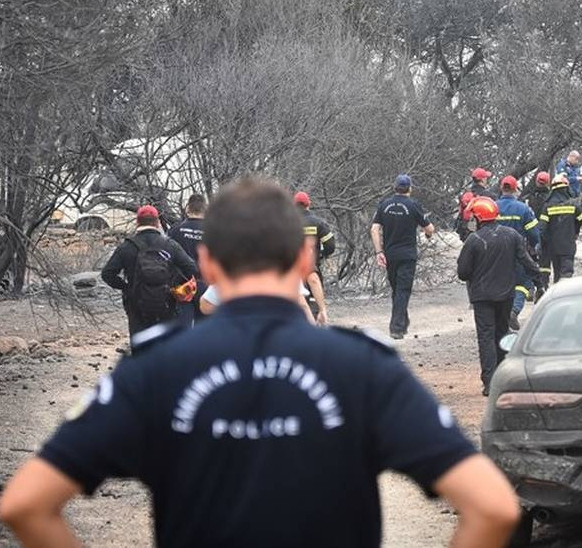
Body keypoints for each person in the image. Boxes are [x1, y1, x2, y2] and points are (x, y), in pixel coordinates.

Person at [0, 179, 520, 548]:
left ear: (206, 264)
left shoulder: (153, 370)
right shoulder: (363, 368)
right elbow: (493, 507)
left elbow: (26, 505)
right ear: (301, 260)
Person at [457, 197, 540, 396]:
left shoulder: (474, 240)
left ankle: (489, 382)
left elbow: (463, 273)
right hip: (506, 295)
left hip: (482, 297)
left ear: (478, 218)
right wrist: (539, 280)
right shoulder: (512, 235)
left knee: (485, 337)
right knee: (502, 334)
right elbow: (526, 261)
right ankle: (504, 379)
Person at [101, 205, 198, 339]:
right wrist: (176, 285)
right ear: (157, 222)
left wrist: (127, 287)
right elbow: (192, 269)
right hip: (166, 303)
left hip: (136, 305)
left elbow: (107, 274)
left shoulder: (127, 246)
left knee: (140, 348)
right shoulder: (170, 245)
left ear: (137, 222)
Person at [371, 174, 435, 340]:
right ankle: (396, 328)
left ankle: (402, 321)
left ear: (395, 187)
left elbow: (374, 229)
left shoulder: (384, 204)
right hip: (407, 254)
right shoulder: (413, 205)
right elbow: (429, 228)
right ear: (410, 188)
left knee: (397, 289)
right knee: (403, 290)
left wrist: (379, 252)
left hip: (390, 254)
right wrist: (427, 233)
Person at [496, 175, 540, 331]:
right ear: (515, 189)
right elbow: (534, 234)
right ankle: (514, 311)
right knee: (523, 283)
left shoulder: (493, 207)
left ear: (502, 188)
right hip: (518, 252)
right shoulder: (523, 209)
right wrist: (533, 248)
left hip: (496, 254)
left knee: (501, 285)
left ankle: (501, 317)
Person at [294, 191, 335, 324]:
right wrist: (322, 255)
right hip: (312, 265)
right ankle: (319, 317)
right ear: (308, 204)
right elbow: (330, 245)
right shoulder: (318, 223)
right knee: (314, 291)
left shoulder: (286, 222)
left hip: (291, 267)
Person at [168, 194, 208, 327]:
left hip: (182, 285)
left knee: (181, 328)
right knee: (204, 329)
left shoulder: (175, 231)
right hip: (205, 285)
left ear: (188, 209)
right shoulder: (214, 232)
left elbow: (168, 258)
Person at [539, 174, 582, 284]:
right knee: (567, 273)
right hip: (568, 244)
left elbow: (542, 227)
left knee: (557, 272)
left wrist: (542, 242)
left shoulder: (548, 206)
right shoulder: (573, 205)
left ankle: (557, 296)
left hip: (553, 246)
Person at [525, 171, 552, 299]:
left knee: (530, 261)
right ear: (548, 182)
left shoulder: (529, 197)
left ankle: (529, 287)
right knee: (545, 263)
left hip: (531, 233)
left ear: (536, 181)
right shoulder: (551, 198)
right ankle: (543, 287)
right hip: (547, 234)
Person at [455, 168, 492, 241]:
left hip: (467, 235)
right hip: (484, 235)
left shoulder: (465, 195)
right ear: (483, 179)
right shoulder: (489, 196)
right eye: (486, 178)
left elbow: (460, 215)